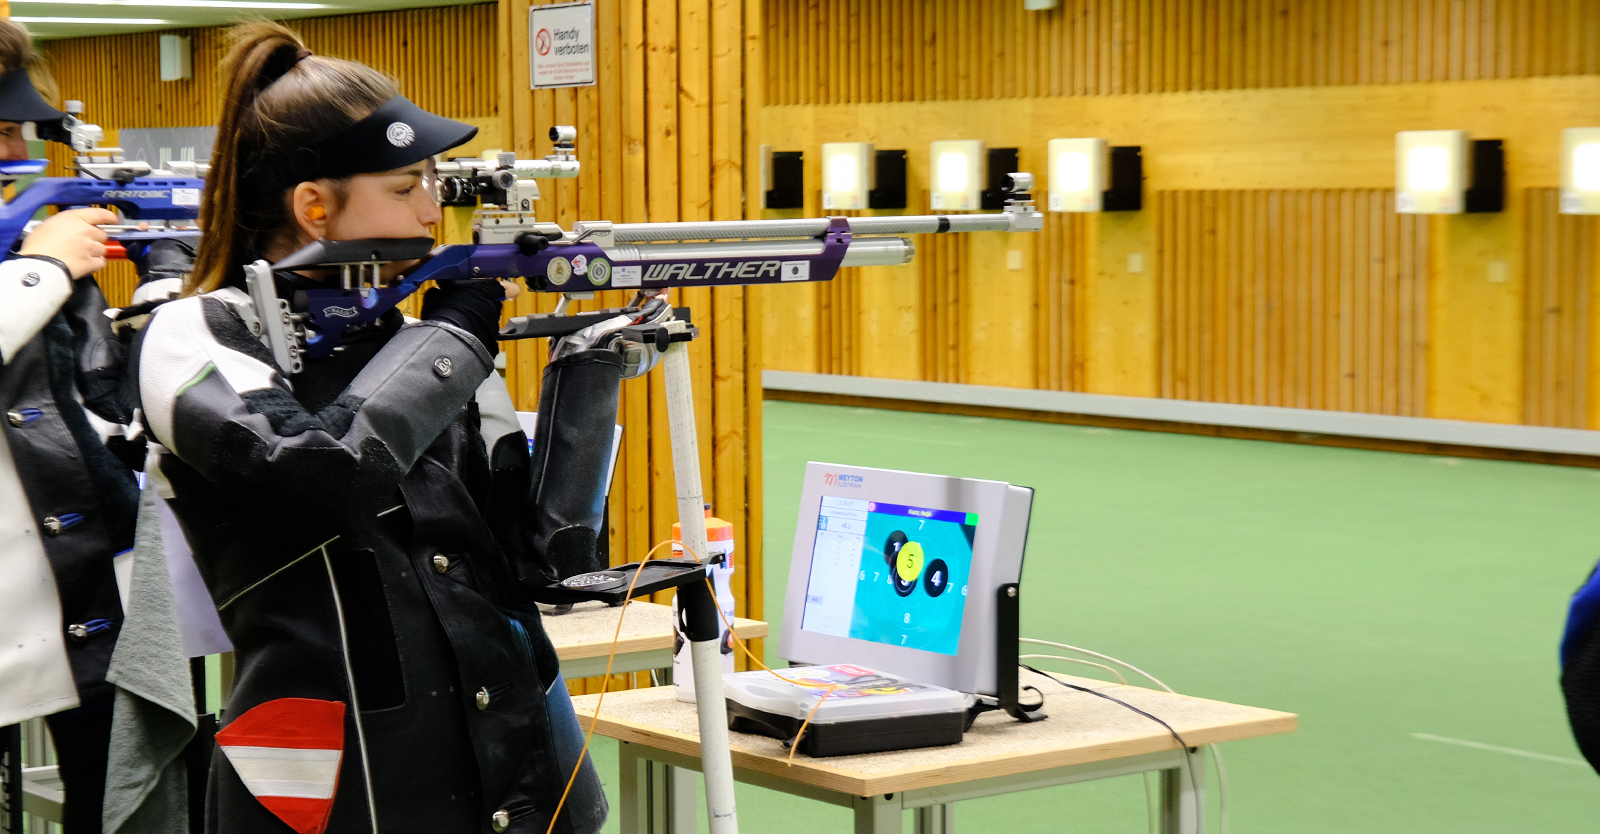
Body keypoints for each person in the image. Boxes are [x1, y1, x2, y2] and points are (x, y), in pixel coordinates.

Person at [135, 22, 612, 834]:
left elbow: (549, 562)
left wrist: (592, 370)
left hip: (513, 761)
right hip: (332, 783)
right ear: (313, 205)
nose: (433, 209)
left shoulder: (412, 340)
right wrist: (456, 338)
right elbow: (320, 476)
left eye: (433, 182)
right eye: (404, 187)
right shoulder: (197, 334)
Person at [0, 18, 143, 834]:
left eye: (19, 128)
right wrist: (42, 268)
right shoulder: (30, 257)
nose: (16, 146)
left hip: (78, 582)